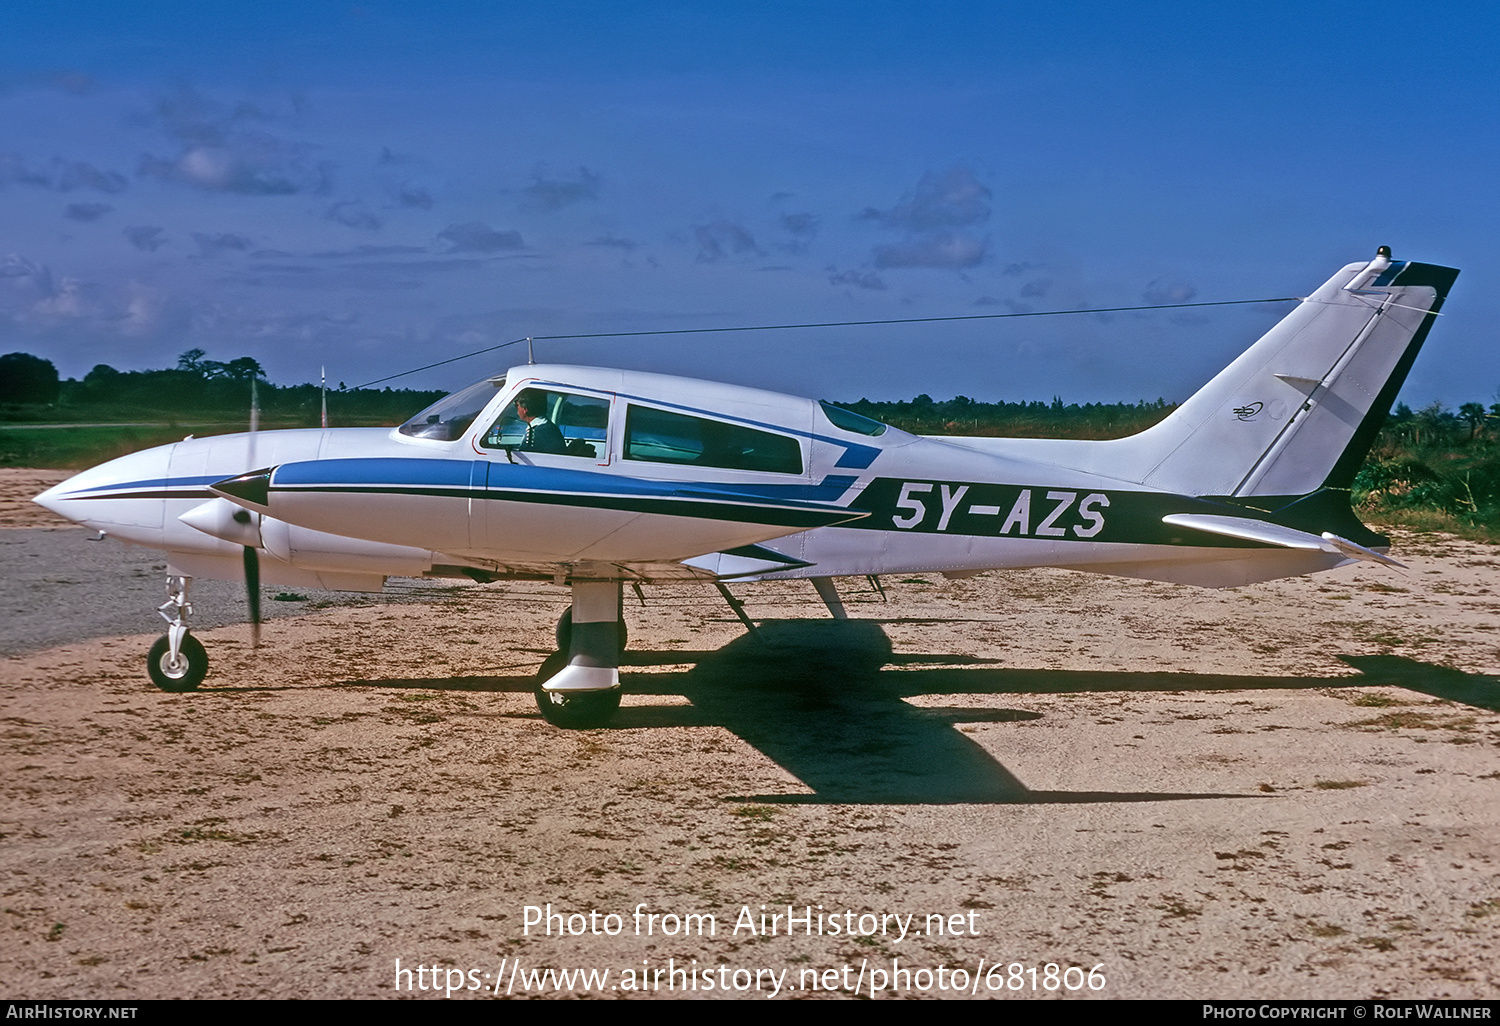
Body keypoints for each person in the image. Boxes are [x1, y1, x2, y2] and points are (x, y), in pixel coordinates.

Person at [514, 389, 567, 454]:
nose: (517, 409)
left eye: (517, 405)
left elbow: (522, 458)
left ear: (525, 409)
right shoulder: (549, 427)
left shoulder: (535, 434)